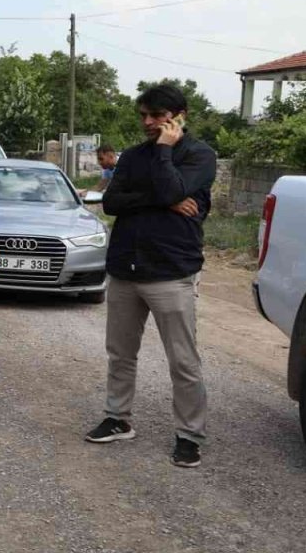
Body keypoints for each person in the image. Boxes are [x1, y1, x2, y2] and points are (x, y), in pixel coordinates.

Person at [85, 83, 217, 468]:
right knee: (120, 353)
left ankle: (189, 435)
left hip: (171, 272)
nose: (147, 122)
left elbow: (174, 186)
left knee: (183, 360)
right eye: (143, 115)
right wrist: (160, 200)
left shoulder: (200, 155)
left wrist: (163, 154)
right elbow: (111, 201)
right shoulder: (132, 157)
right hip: (126, 268)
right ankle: (117, 418)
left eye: (156, 115)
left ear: (179, 116)